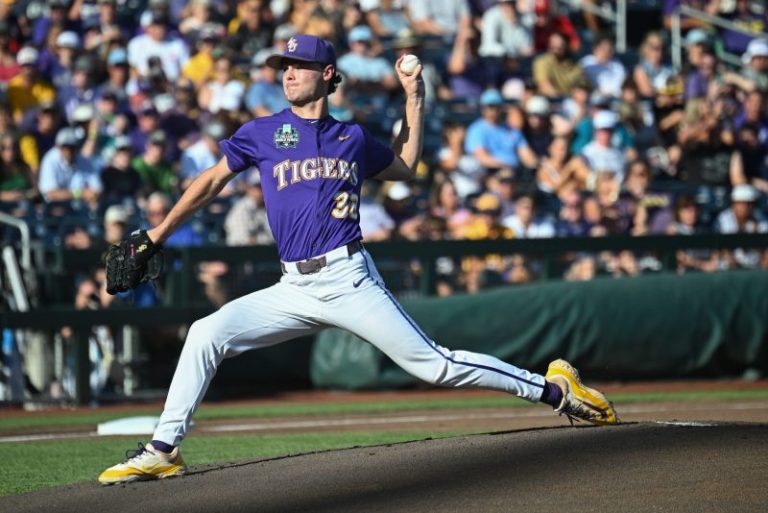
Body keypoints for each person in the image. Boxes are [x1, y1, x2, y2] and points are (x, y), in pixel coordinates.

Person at [97, 33, 618, 485]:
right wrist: (158, 234)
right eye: (283, 67)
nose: (288, 75)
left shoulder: (352, 137)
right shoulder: (263, 132)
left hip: (349, 278)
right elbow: (212, 181)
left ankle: (555, 390)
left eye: (298, 67)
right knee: (205, 334)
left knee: (434, 365)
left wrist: (414, 97)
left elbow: (407, 169)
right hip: (292, 287)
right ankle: (163, 451)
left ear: (327, 75)